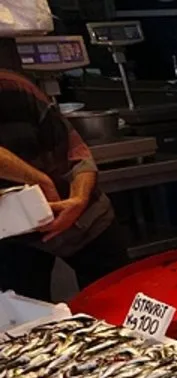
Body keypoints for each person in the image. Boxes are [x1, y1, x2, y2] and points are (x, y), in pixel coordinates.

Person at [0, 39, 127, 301]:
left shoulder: (15, 89)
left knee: (119, 301)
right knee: (25, 321)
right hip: (11, 236)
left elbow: (78, 154)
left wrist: (79, 199)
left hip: (83, 219)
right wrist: (38, 179)